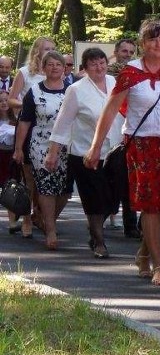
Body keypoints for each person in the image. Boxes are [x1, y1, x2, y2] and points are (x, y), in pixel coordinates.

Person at [84, 18, 160, 286]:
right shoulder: (130, 73)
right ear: (142, 43)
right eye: (152, 39)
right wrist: (95, 147)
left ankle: (143, 253)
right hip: (141, 145)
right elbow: (111, 110)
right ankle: (158, 265)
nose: (158, 44)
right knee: (150, 203)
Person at [46, 47, 123, 258]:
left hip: (115, 151)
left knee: (113, 198)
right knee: (94, 198)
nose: (99, 67)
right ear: (85, 68)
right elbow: (62, 123)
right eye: (93, 64)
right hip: (85, 153)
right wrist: (53, 153)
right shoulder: (77, 90)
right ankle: (98, 240)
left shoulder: (116, 84)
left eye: (102, 63)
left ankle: (96, 226)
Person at [12, 50, 72, 250]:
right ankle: (51, 230)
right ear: (43, 68)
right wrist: (19, 148)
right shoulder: (34, 92)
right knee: (46, 186)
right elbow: (25, 122)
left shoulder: (72, 90)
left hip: (68, 145)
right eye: (50, 64)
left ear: (64, 68)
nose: (54, 67)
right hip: (41, 145)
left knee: (64, 190)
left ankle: (45, 217)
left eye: (58, 64)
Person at [7, 36, 57, 238]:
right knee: (29, 177)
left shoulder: (57, 72)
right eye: (46, 49)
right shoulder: (26, 72)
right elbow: (11, 99)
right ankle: (27, 218)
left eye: (53, 49)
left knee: (48, 175)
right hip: (30, 125)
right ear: (37, 51)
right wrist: (28, 106)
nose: (50, 52)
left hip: (52, 128)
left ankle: (42, 214)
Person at [109, 38, 141, 239]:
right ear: (116, 51)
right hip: (113, 127)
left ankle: (132, 223)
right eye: (124, 51)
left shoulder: (138, 73)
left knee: (131, 179)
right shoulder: (108, 73)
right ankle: (100, 215)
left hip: (133, 128)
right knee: (112, 178)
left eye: (131, 52)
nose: (127, 55)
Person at [0, 91, 20, 233]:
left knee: (10, 187)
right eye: (1, 101)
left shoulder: (16, 120)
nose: (4, 103)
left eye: (6, 100)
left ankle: (12, 222)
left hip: (10, 157)